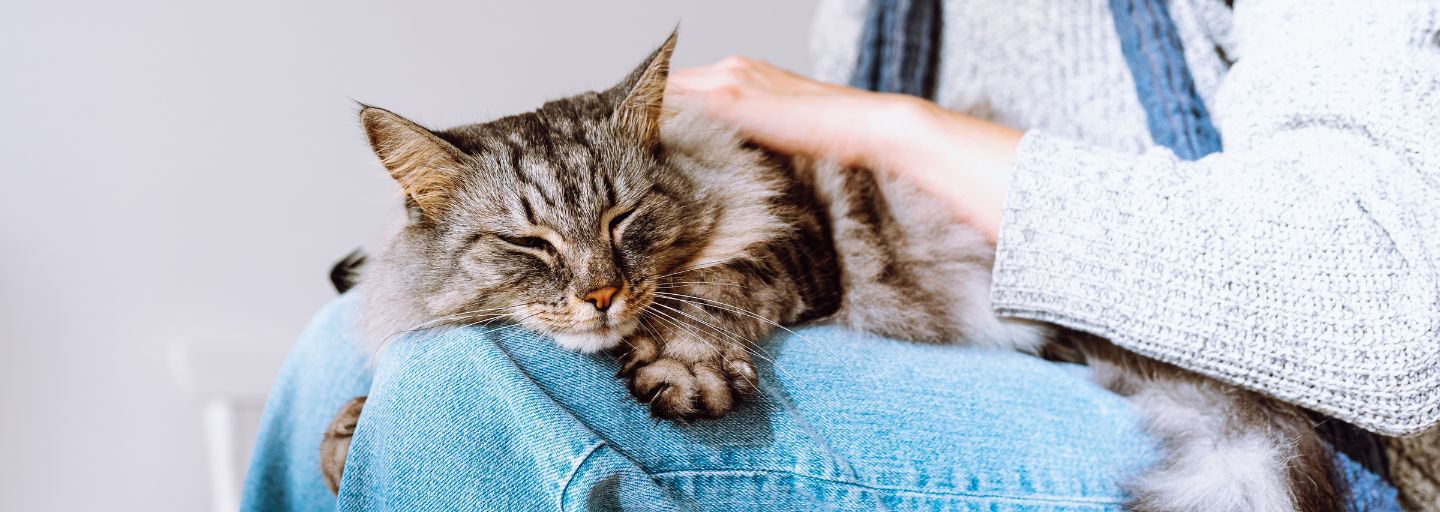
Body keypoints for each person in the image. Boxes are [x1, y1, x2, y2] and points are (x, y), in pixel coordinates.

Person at [244, 0, 1438, 509]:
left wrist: (885, 126)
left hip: (1288, 421)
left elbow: (1388, 316)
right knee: (324, 356)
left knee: (471, 386)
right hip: (982, 356)